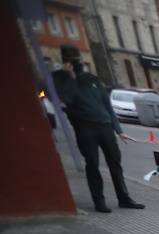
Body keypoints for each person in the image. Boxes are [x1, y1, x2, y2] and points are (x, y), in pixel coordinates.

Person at [51, 45, 144, 213]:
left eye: (76, 59)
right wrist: (71, 77)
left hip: (105, 125)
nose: (75, 62)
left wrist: (119, 130)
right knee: (92, 163)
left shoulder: (91, 79)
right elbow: (67, 100)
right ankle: (99, 201)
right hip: (84, 126)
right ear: (64, 60)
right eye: (71, 59)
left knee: (115, 162)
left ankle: (124, 198)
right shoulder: (59, 79)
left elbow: (107, 106)